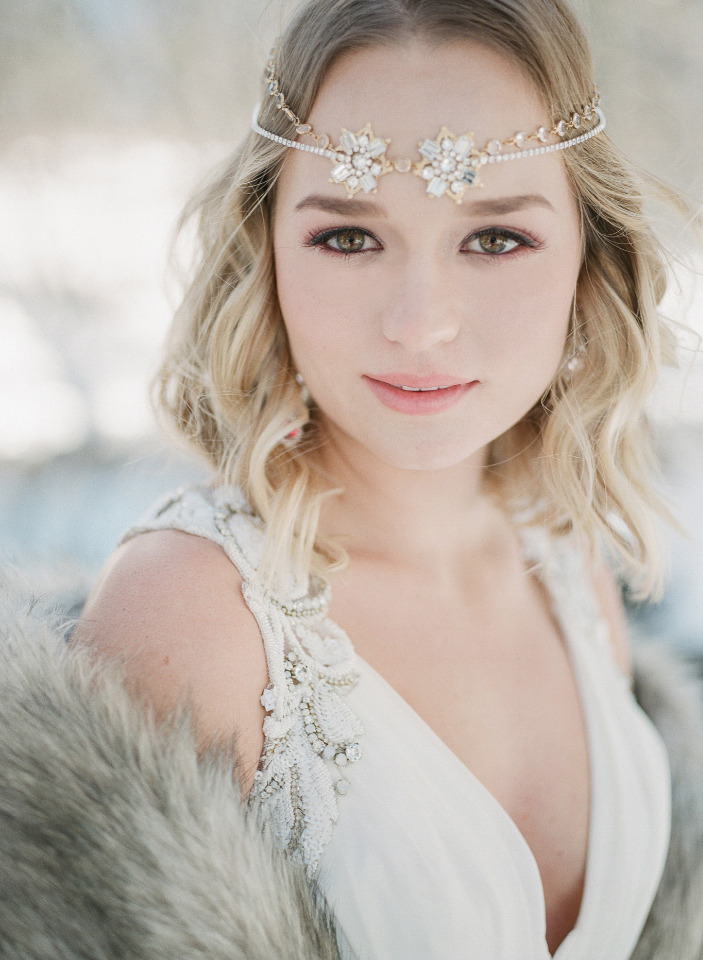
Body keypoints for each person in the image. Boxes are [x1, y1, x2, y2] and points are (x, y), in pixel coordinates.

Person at [71, 0, 693, 957]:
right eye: (348, 237)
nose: (418, 324)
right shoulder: (191, 617)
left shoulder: (568, 566)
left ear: (587, 257)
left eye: (494, 239)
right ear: (266, 250)